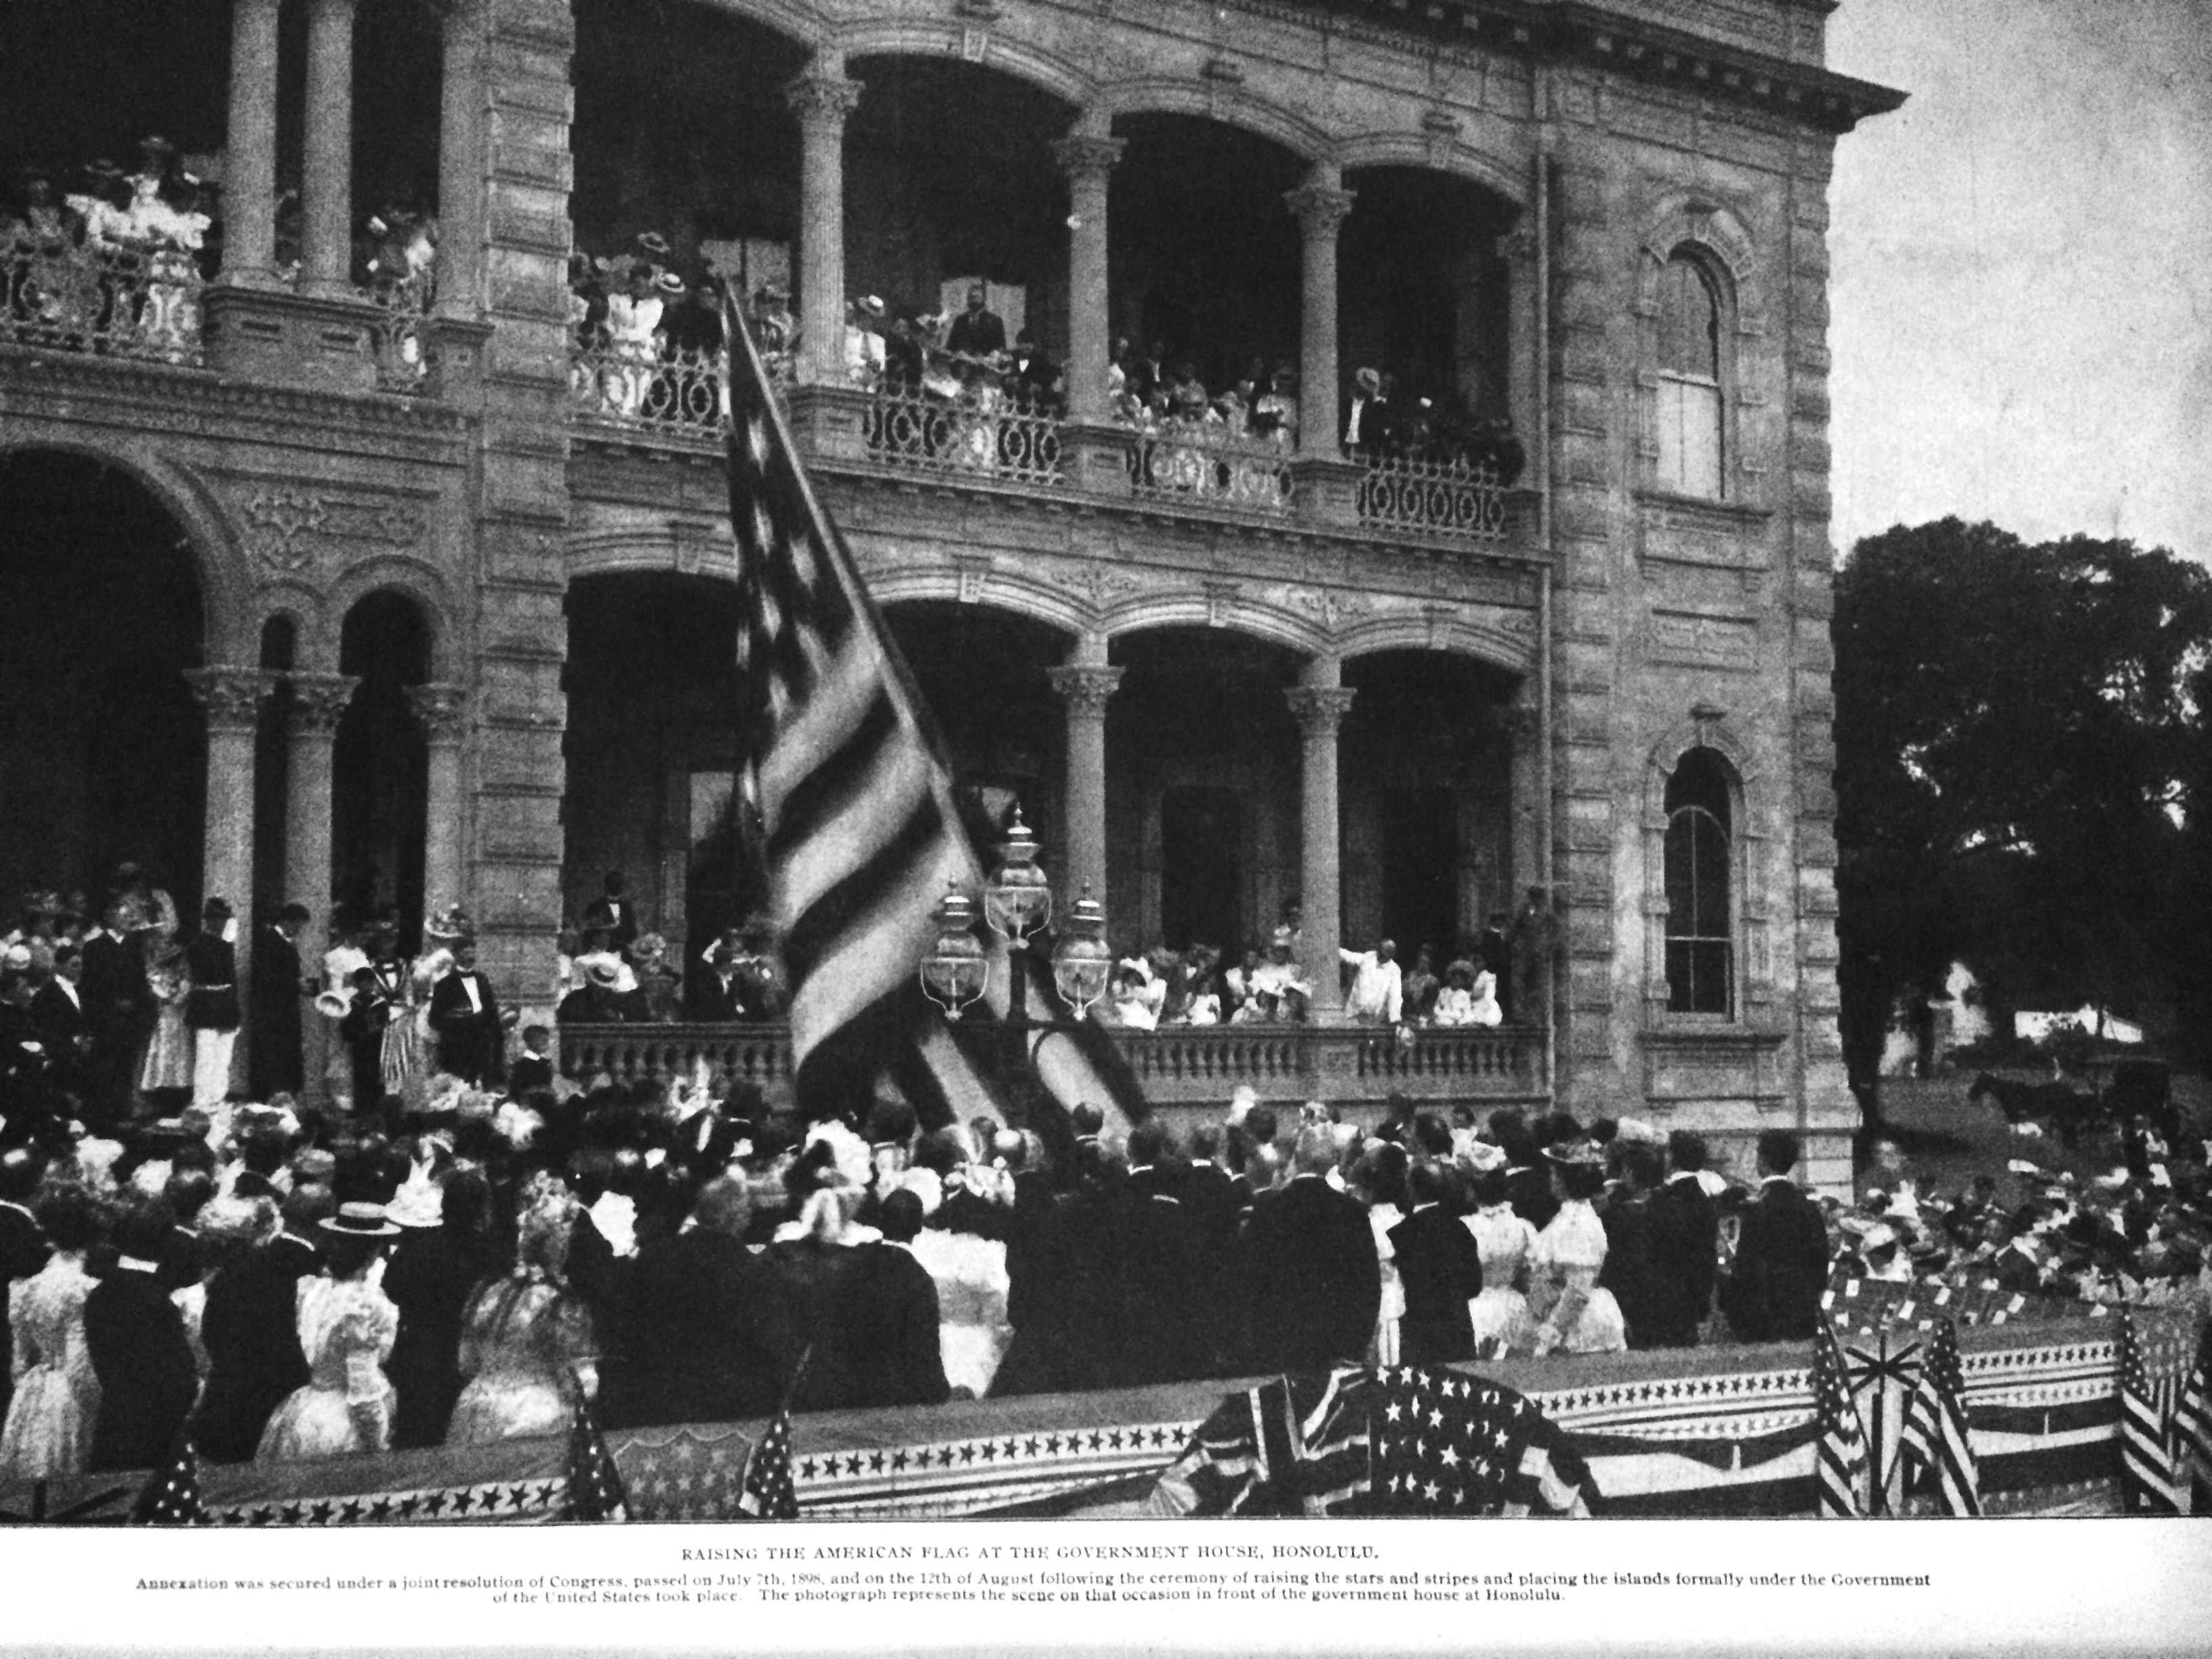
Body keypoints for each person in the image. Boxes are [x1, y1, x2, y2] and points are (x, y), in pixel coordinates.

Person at [613, 1173, 792, 1428]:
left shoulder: (654, 1257)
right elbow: (771, 1342)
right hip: (728, 1409)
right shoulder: (753, 1270)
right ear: (741, 1218)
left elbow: (627, 1326)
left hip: (656, 1399)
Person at [444, 1173, 600, 1447]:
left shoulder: (487, 1290)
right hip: (534, 1419)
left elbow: (466, 1362)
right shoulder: (562, 1305)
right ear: (561, 1246)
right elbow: (581, 1385)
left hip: (474, 1410)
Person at [255, 1202, 403, 1460]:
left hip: (305, 1410)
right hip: (341, 1423)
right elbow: (363, 1391)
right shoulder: (361, 1307)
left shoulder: (313, 1290)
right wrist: (377, 1443)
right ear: (374, 1251)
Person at [1235, 1126, 1380, 1374]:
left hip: (1280, 1341)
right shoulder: (1352, 1212)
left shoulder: (1269, 1209)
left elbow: (1250, 1276)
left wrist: (1257, 1340)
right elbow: (1368, 1283)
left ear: (1298, 1160)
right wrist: (1355, 1345)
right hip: (1336, 1343)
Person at [382, 1167, 501, 1450]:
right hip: (469, 1361)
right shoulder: (493, 1256)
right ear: (483, 1209)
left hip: (417, 1356)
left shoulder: (415, 1250)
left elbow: (390, 1292)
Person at [192, 1194, 310, 1462]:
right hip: (264, 1398)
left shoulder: (224, 1283)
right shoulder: (272, 1273)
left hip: (226, 1396)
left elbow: (212, 1340)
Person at [85, 1201, 201, 1471]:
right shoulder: (158, 1301)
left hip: (114, 1419)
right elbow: (178, 1376)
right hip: (156, 1431)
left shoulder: (99, 1293)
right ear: (166, 1242)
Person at [0, 1187, 102, 1483]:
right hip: (71, 1391)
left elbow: (19, 1362)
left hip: (35, 1387)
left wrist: (28, 1393)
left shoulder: (24, 1287)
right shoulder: (86, 1289)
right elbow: (81, 1367)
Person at [1719, 1130, 1830, 1344]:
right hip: (1802, 1309)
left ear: (1762, 1160)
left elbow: (1747, 1266)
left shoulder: (1758, 1207)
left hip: (1767, 1313)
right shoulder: (1807, 1205)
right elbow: (1821, 1257)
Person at [1520, 1141, 1627, 1357]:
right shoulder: (1570, 1216)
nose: (1550, 1181)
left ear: (1562, 1181)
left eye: (1553, 1175)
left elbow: (1578, 1289)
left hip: (1577, 1321)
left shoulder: (1577, 1223)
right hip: (1559, 1310)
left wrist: (1551, 1333)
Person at [1390, 1160, 1483, 1367]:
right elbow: (1474, 1286)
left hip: (1418, 1331)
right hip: (1458, 1327)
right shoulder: (1461, 1230)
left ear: (1411, 1189)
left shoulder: (1400, 1234)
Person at [1461, 1164, 1537, 1357]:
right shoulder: (1522, 1227)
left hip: (1476, 1308)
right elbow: (1530, 1273)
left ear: (1471, 1190)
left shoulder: (1466, 1227)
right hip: (1514, 1305)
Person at [184, 897, 242, 1109]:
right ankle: (201, 1103)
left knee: (223, 1059)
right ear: (208, 920)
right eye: (217, 919)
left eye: (224, 919)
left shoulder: (226, 944)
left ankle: (218, 1099)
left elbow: (231, 978)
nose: (221, 923)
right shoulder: (198, 944)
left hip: (226, 1003)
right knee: (206, 1057)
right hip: (207, 1002)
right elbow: (209, 971)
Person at [249, 903, 311, 1101]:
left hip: (286, 1009)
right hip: (272, 1010)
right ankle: (270, 1094)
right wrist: (295, 983)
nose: (299, 930)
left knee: (287, 1053)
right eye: (298, 925)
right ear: (286, 922)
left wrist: (300, 982)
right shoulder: (269, 942)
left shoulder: (287, 943)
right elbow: (266, 977)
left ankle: (287, 1093)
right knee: (273, 1053)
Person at [428, 935, 507, 1087]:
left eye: (472, 952)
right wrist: (459, 1019)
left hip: (481, 1039)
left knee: (483, 1082)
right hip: (458, 1042)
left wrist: (496, 1036)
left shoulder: (482, 980)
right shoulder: (445, 985)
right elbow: (435, 1019)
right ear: (456, 956)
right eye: (466, 953)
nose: (470, 957)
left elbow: (491, 1010)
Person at [137, 937, 193, 1111]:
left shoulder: (184, 980)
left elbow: (179, 998)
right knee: (163, 1054)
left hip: (180, 1020)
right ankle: (163, 1090)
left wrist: (177, 991)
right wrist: (163, 990)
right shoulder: (156, 978)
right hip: (164, 1021)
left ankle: (180, 1090)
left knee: (180, 1056)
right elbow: (161, 997)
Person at [1340, 938, 1404, 1026]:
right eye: (1379, 950)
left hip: (1372, 1018)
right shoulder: (1369, 957)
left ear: (1391, 954)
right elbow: (1351, 957)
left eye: (1384, 952)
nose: (1379, 954)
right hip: (1353, 1013)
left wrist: (1395, 1019)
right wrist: (1335, 950)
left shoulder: (1394, 971)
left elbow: (1395, 996)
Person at [945, 283, 1006, 360]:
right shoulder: (960, 321)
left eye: (977, 297)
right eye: (971, 297)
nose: (974, 300)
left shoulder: (994, 321)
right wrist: (958, 354)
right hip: (963, 364)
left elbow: (1001, 346)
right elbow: (951, 346)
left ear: (983, 299)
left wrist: (995, 354)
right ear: (967, 299)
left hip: (986, 366)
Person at [508, 1025, 554, 1097]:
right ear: (532, 1042)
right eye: (543, 1040)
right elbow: (516, 1090)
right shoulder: (522, 1065)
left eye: (547, 1040)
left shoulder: (544, 1063)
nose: (547, 1044)